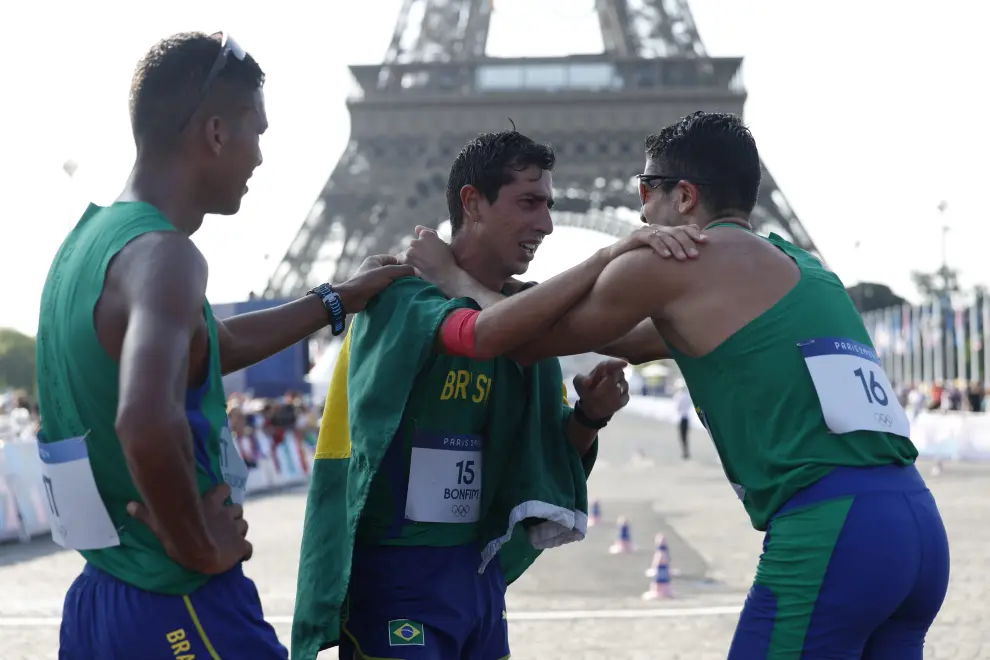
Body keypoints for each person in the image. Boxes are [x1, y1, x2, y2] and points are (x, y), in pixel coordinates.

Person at [405, 111, 950, 659]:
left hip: (832, 531)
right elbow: (639, 340)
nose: (641, 210)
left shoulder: (674, 259)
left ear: (684, 195)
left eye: (646, 189)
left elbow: (520, 340)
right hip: (917, 526)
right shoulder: (802, 267)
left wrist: (455, 280)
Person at [35, 31, 411, 660]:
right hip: (178, 600)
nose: (259, 156)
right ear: (215, 133)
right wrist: (196, 543)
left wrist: (337, 298)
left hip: (102, 597)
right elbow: (144, 420)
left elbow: (210, 346)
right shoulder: (167, 256)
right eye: (256, 132)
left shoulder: (90, 244)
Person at [291, 130, 705, 660]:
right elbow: (482, 334)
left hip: (476, 574)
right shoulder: (402, 295)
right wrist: (610, 254)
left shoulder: (527, 315)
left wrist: (589, 417)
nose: (547, 224)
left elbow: (550, 453)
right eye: (529, 202)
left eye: (550, 205)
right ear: (472, 202)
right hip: (398, 574)